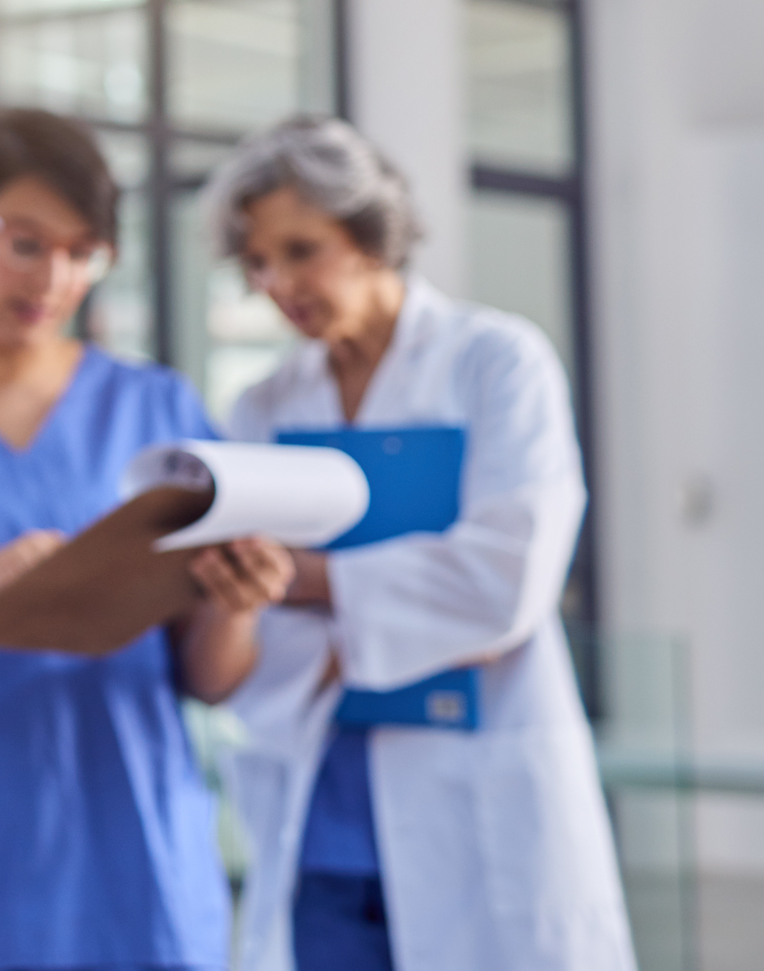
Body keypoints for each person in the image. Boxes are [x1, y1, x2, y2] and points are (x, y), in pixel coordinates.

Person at [0, 108, 292, 971]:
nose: (55, 279)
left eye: (83, 253)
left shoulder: (159, 413)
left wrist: (238, 606)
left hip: (126, 856)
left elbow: (210, 679)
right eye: (26, 244)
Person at [202, 115, 634, 971]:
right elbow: (253, 646)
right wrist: (288, 596)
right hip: (323, 821)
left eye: (299, 250)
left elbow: (506, 581)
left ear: (368, 235)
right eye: (256, 262)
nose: (275, 282)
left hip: (481, 807)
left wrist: (306, 581)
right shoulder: (261, 407)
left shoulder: (495, 363)